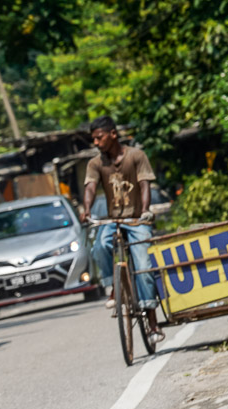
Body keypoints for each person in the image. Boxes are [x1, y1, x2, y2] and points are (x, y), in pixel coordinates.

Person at [80, 115, 163, 345]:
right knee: (99, 247)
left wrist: (145, 211)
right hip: (113, 220)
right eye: (94, 139)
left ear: (113, 134)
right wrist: (86, 209)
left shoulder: (136, 156)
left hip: (136, 220)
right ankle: (114, 287)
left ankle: (152, 322)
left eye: (99, 138)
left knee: (144, 266)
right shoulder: (95, 163)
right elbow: (90, 187)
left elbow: (145, 184)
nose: (96, 143)